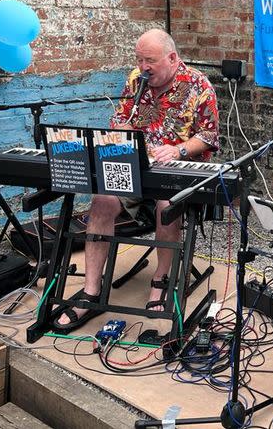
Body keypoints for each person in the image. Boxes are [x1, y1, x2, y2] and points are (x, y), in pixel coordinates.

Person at [53, 28, 219, 331]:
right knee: (101, 201)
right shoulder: (135, 80)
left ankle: (161, 280)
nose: (143, 67)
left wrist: (178, 148)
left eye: (150, 61)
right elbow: (118, 120)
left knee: (166, 204)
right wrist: (121, 136)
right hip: (135, 166)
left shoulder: (199, 85)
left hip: (176, 171)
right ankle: (91, 290)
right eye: (139, 59)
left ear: (172, 57)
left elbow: (209, 136)